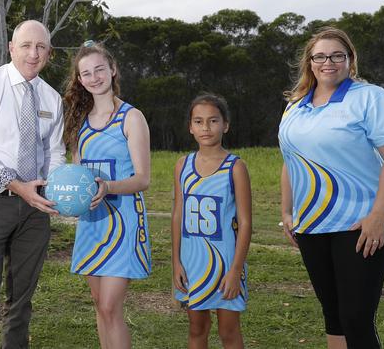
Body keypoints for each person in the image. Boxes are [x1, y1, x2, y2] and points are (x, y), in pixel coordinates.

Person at [279, 27, 384, 349]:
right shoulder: (295, 105)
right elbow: (289, 160)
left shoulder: (370, 98)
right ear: (309, 62)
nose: (329, 62)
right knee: (334, 315)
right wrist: (287, 211)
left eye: (338, 55)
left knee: (356, 318)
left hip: (362, 223)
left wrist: (378, 217)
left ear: (350, 59)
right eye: (320, 56)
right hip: (313, 223)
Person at [0, 19, 65, 348]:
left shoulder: (51, 99)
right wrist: (17, 185)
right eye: (26, 46)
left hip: (34, 210)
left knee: (21, 301)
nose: (33, 54)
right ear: (11, 48)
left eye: (41, 47)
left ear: (49, 52)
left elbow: (55, 151)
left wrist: (56, 187)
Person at [62, 40, 151, 349]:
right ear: (80, 80)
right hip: (91, 223)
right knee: (100, 304)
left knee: (112, 306)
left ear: (113, 70)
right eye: (86, 73)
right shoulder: (78, 123)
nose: (94, 77)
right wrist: (66, 198)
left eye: (100, 69)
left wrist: (108, 186)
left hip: (123, 220)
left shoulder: (131, 117)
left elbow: (143, 179)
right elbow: (77, 176)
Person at [171, 94, 252, 349]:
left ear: (225, 125)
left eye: (213, 121)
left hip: (226, 263)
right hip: (192, 262)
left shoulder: (235, 166)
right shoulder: (183, 165)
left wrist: (236, 270)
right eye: (199, 121)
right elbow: (178, 214)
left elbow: (246, 222)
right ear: (190, 127)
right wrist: (176, 262)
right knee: (197, 328)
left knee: (228, 331)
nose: (206, 127)